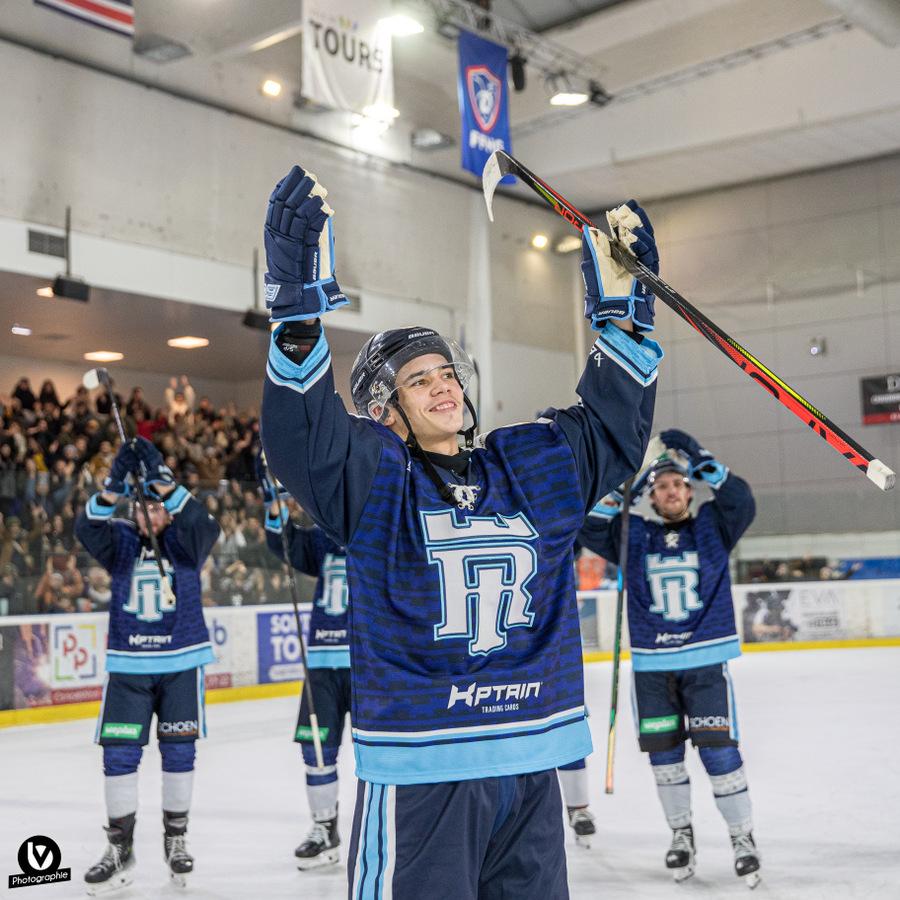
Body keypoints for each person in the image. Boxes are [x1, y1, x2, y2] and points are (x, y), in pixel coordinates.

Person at [259, 164, 662, 898]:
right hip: (424, 771)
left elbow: (611, 433)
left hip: (529, 764)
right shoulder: (378, 480)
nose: (442, 384)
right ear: (383, 410)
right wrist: (297, 317)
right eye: (418, 380)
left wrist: (624, 324)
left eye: (445, 372)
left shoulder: (525, 466)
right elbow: (306, 441)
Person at [578, 430, 760, 888]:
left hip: (704, 664)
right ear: (651, 496)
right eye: (661, 486)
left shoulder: (713, 527)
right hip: (653, 669)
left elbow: (741, 500)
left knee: (719, 752)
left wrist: (699, 455)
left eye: (678, 483)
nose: (671, 491)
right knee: (666, 759)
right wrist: (637, 479)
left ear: (690, 490)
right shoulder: (632, 535)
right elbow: (588, 525)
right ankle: (681, 834)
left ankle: (742, 838)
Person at [75, 437, 220, 894]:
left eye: (156, 506)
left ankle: (176, 839)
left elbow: (206, 523)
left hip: (181, 663)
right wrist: (112, 487)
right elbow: (85, 527)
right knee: (118, 755)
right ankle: (120, 846)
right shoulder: (119, 541)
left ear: (168, 510)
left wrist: (164, 483)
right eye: (142, 507)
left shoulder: (185, 540)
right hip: (129, 666)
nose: (148, 514)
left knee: (179, 753)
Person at [257, 453, 352, 870]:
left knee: (383, 752)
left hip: (370, 666)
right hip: (322, 666)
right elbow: (283, 541)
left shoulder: (379, 532)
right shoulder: (324, 540)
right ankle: (324, 828)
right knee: (317, 748)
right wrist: (274, 497)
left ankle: (390, 823)